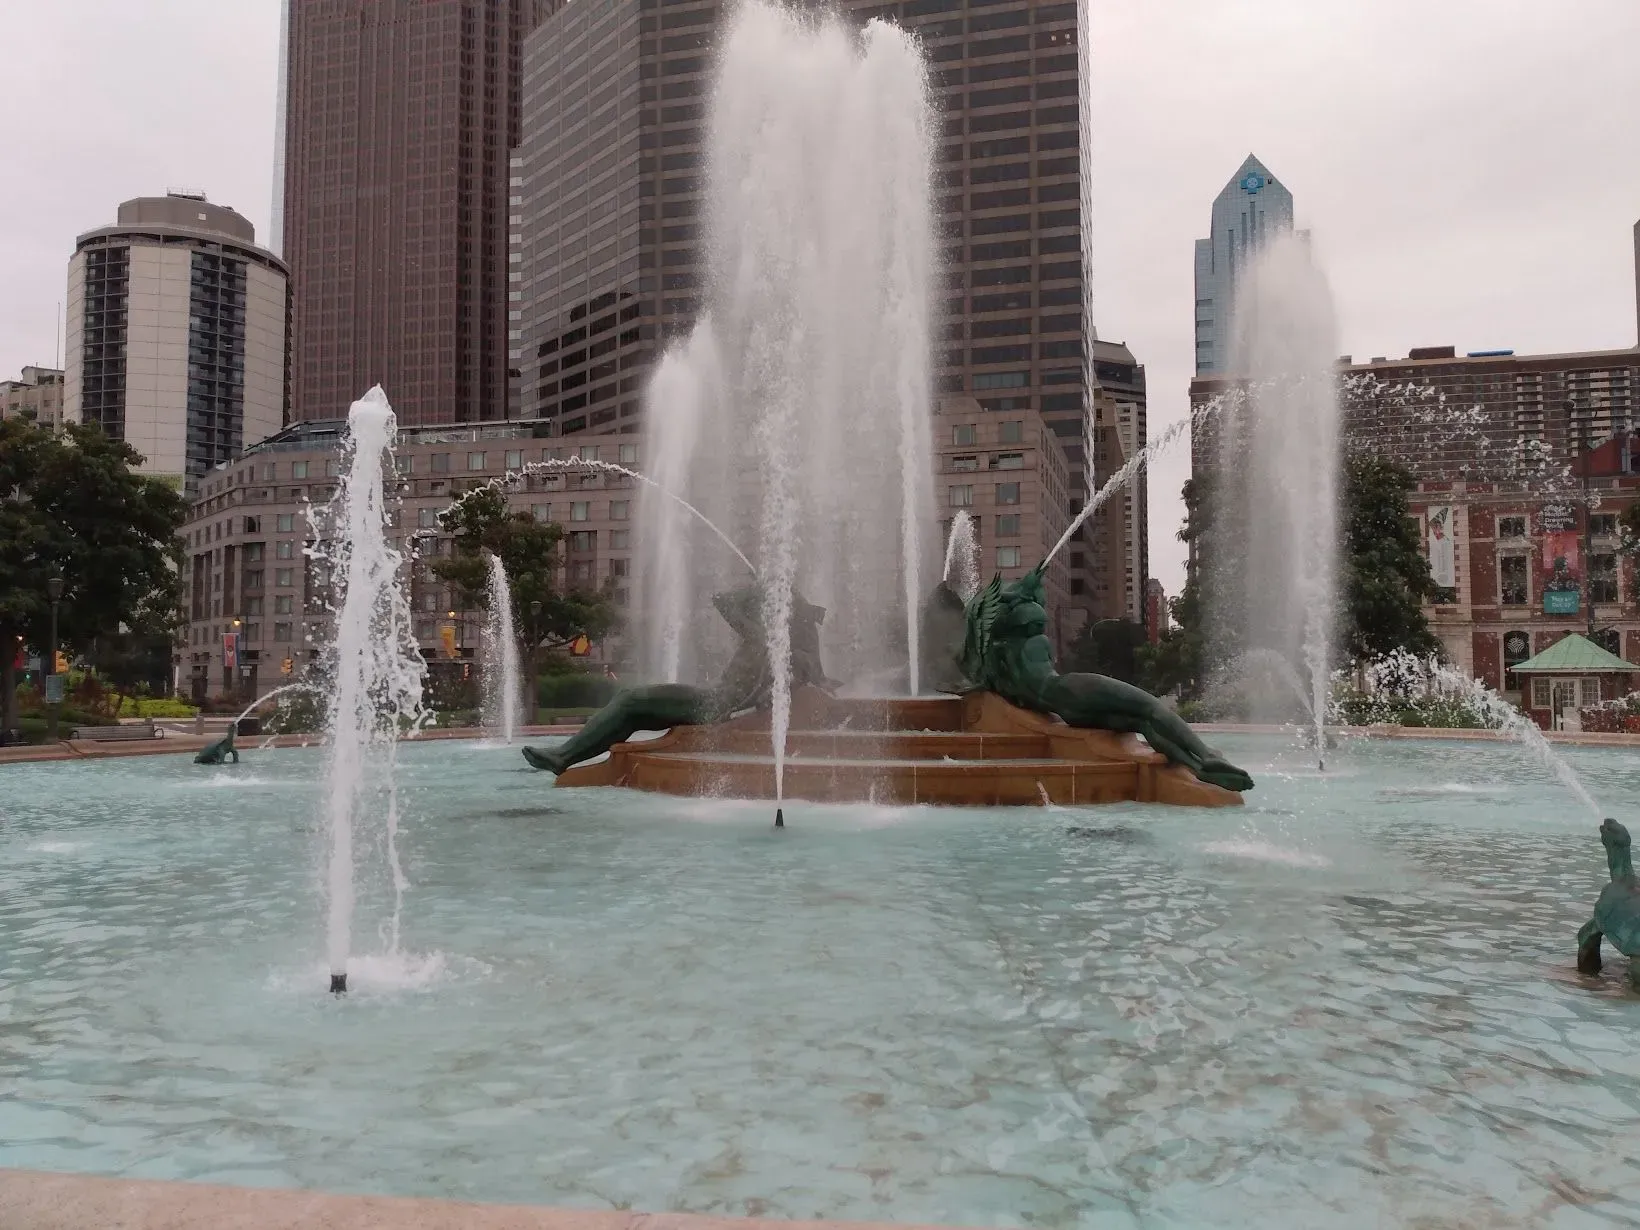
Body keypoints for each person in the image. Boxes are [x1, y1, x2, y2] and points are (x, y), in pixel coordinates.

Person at [958, 564, 1254, 793]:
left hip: (1066, 710)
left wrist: (1019, 591)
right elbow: (1010, 603)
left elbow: (997, 615)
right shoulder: (1030, 643)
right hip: (1070, 690)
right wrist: (1018, 593)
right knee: (1149, 708)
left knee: (1142, 722)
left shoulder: (1000, 661)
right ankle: (1205, 754)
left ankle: (1196, 766)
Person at [522, 585, 833, 775]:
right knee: (631, 714)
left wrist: (761, 590)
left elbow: (724, 601)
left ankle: (564, 756)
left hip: (715, 705)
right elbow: (723, 600)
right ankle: (566, 757)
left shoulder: (780, 645)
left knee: (631, 700)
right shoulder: (769, 639)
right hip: (717, 701)